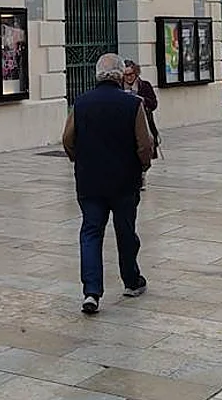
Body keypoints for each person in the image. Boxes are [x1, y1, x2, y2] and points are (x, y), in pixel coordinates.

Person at [62, 53, 155, 315]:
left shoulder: (81, 103)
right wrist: (142, 167)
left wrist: (79, 160)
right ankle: (131, 280)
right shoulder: (132, 104)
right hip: (124, 181)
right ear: (118, 75)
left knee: (91, 232)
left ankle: (91, 292)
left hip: (90, 180)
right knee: (125, 231)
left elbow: (68, 139)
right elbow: (144, 144)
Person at [122, 60, 160, 156]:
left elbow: (154, 104)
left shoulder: (145, 86)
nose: (129, 77)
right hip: (126, 125)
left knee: (144, 151)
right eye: (126, 75)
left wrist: (142, 100)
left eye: (131, 74)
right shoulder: (119, 88)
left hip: (143, 123)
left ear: (136, 73)